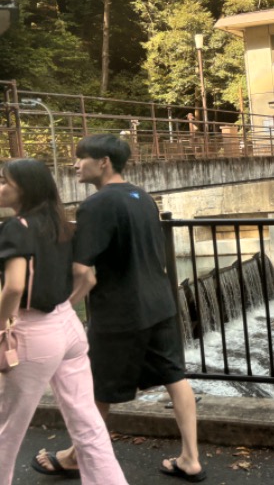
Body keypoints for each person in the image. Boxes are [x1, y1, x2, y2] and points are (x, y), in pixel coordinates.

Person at [34, 134, 206, 482]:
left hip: (121, 312)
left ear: (104, 163)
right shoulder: (142, 196)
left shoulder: (97, 205)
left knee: (98, 389)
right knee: (175, 377)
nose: (75, 165)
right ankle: (190, 458)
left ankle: (72, 457)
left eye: (81, 158)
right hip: (160, 303)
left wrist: (64, 307)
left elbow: (84, 272)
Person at [0, 158, 128, 485]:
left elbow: (14, 286)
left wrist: (1, 325)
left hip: (33, 332)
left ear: (24, 189)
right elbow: (82, 275)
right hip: (67, 326)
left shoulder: (16, 227)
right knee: (88, 424)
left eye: (4, 182)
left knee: (7, 430)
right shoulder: (60, 223)